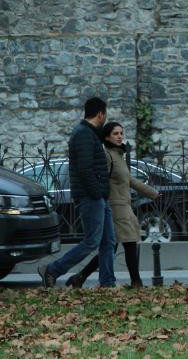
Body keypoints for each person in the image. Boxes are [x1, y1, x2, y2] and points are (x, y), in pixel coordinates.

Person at [65, 121, 159, 288]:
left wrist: (153, 193)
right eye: (115, 133)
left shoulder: (118, 156)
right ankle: (136, 282)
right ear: (107, 136)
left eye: (121, 133)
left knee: (110, 248)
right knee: (128, 243)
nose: (120, 136)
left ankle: (80, 277)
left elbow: (130, 180)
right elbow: (100, 178)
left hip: (124, 205)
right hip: (115, 206)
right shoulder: (107, 156)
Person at [38, 97, 116, 287]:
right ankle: (53, 269)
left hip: (98, 197)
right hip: (90, 197)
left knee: (109, 242)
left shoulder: (88, 133)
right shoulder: (83, 134)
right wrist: (97, 193)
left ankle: (107, 283)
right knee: (92, 241)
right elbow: (85, 169)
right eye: (105, 115)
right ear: (101, 114)